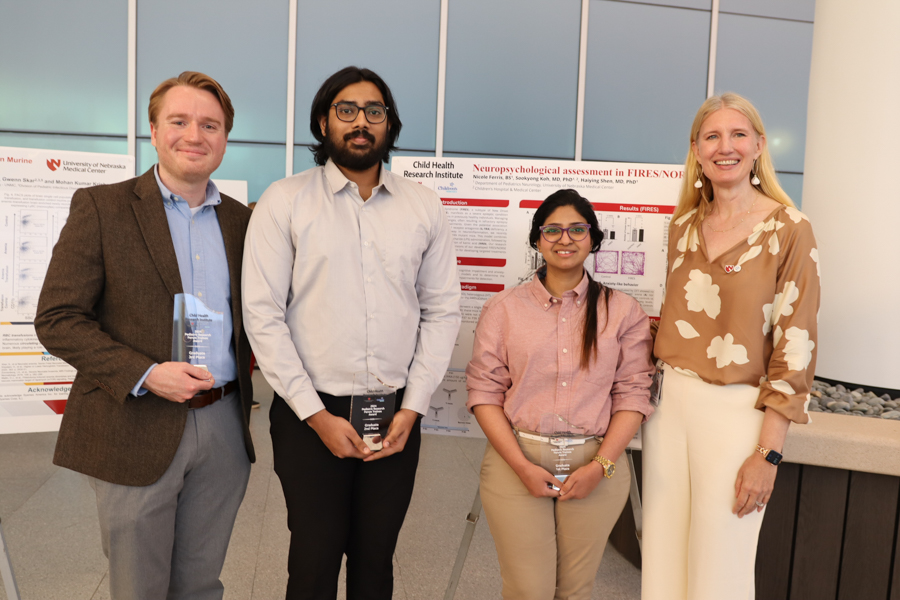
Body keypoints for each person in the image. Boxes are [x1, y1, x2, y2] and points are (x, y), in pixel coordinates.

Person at [242, 66, 461, 600]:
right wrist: (316, 417)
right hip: (307, 415)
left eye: (374, 111)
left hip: (393, 416)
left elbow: (442, 311)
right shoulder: (285, 200)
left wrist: (411, 409)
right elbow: (262, 314)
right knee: (313, 561)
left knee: (375, 561)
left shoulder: (422, 205)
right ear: (323, 122)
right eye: (346, 110)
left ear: (389, 124)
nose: (361, 122)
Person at [34, 72, 255, 600]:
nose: (194, 135)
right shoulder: (102, 207)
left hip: (223, 423)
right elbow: (58, 318)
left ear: (225, 138)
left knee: (201, 583)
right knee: (139, 587)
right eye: (179, 121)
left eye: (210, 124)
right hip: (132, 422)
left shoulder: (244, 223)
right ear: (153, 131)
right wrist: (147, 373)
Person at [642, 92, 820, 600]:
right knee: (662, 560)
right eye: (712, 136)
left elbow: (797, 347)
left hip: (737, 414)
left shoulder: (791, 230)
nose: (726, 146)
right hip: (667, 407)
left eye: (738, 134)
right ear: (696, 150)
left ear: (759, 145)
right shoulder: (682, 227)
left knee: (721, 569)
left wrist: (768, 454)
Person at [466, 189, 654, 600]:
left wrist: (601, 465)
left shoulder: (622, 311)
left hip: (596, 465)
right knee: (527, 590)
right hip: (517, 461)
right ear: (537, 240)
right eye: (552, 230)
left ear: (593, 239)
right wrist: (520, 465)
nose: (564, 238)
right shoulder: (504, 309)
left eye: (576, 229)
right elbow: (484, 392)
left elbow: (633, 396)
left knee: (574, 591)